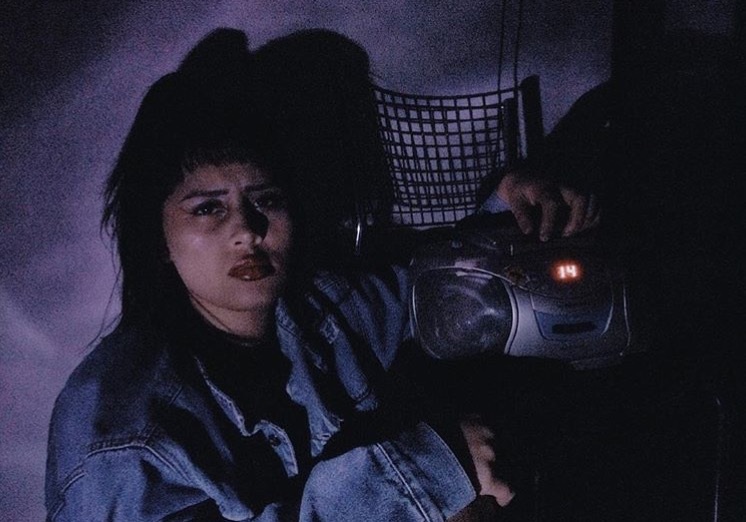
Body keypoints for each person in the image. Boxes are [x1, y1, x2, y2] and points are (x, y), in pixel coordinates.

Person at [44, 29, 599, 521]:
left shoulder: (324, 312)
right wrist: (431, 470)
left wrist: (509, 203)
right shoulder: (118, 431)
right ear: (158, 239)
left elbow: (434, 289)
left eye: (266, 199)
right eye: (208, 208)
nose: (248, 229)